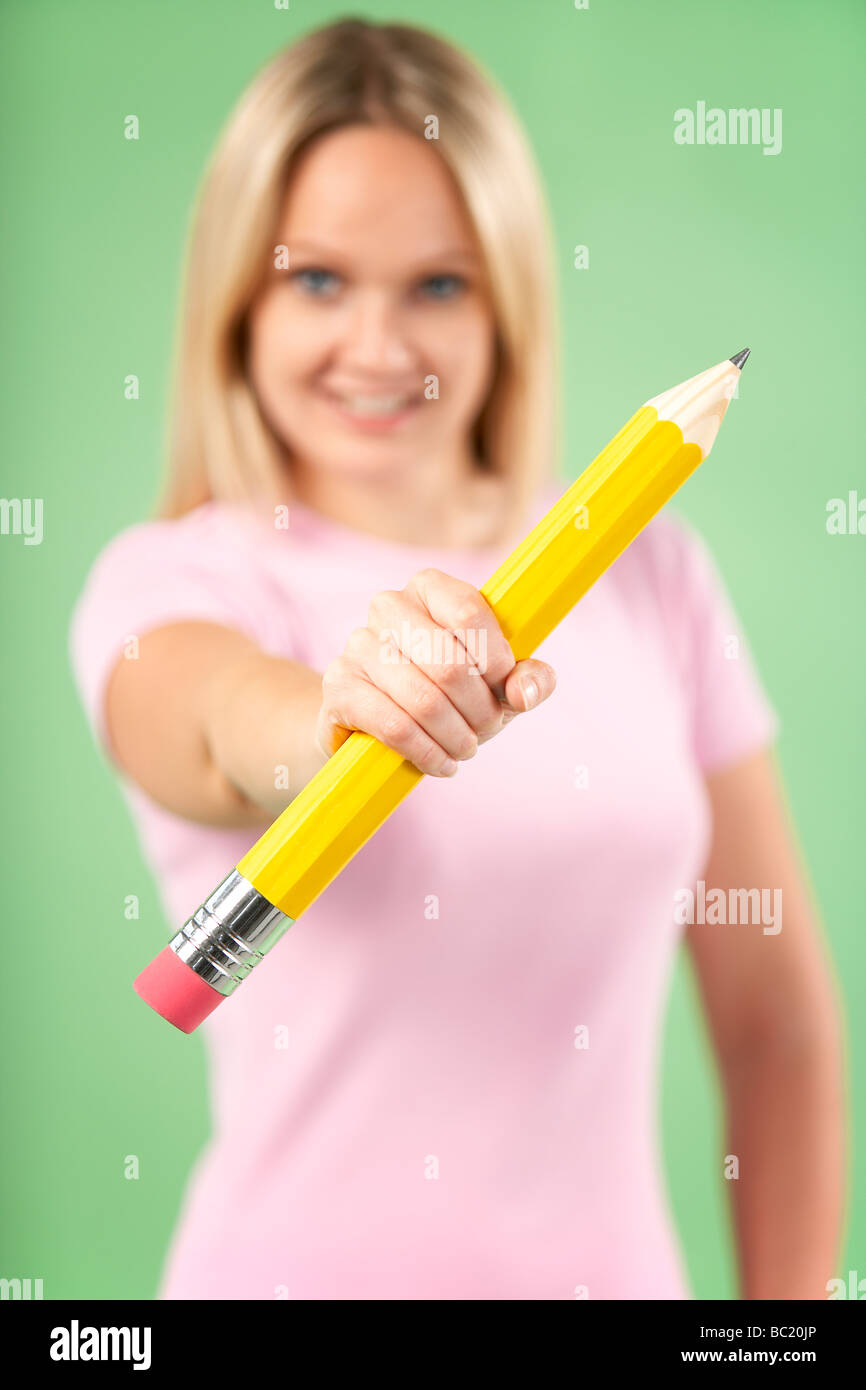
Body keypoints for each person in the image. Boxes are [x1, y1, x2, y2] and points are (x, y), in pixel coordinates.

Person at [69, 18, 845, 1300]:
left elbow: (776, 1024)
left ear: (506, 297)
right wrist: (327, 712)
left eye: (436, 283)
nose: (376, 347)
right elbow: (208, 719)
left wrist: (785, 1323)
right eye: (316, 278)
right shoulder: (178, 579)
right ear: (237, 296)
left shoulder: (644, 571)